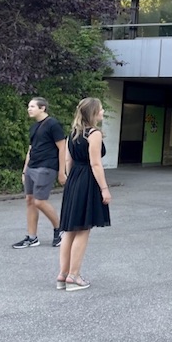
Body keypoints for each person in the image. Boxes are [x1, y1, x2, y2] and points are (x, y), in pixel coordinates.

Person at [57, 98, 111, 291]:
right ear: (93, 113)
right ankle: (74, 276)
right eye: (101, 109)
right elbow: (95, 164)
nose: (103, 111)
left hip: (74, 180)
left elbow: (68, 161)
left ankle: (63, 275)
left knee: (69, 229)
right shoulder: (94, 134)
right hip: (87, 180)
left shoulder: (73, 133)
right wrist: (104, 188)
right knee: (82, 229)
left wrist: (71, 181)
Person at [13, 97, 66, 249]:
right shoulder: (34, 127)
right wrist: (25, 171)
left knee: (39, 201)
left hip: (46, 167)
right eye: (28, 106)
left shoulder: (53, 124)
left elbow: (62, 148)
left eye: (32, 106)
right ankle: (32, 238)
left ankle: (60, 230)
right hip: (32, 167)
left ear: (42, 108)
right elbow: (31, 149)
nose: (29, 109)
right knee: (30, 200)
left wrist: (62, 172)